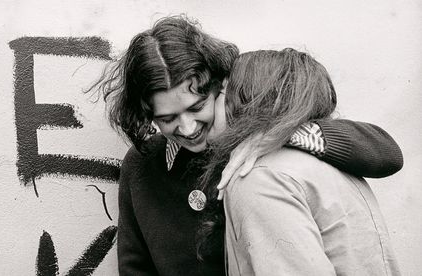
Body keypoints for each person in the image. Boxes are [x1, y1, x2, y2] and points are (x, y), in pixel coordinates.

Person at [94, 16, 403, 275]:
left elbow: (386, 153)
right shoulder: (142, 165)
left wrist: (279, 135)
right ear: (147, 114)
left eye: (196, 107)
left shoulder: (262, 144)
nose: (187, 128)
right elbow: (136, 268)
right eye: (168, 118)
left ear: (219, 87)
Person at [199, 49, 401, 275]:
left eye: (221, 92)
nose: (212, 101)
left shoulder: (257, 177)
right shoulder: (327, 161)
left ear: (246, 99)